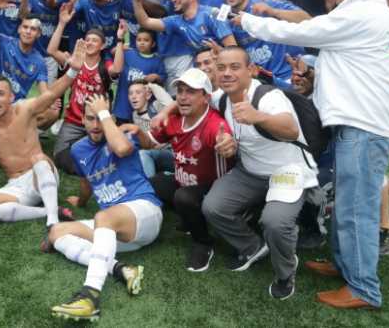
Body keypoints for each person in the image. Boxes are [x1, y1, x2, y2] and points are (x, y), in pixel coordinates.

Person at [236, 0, 389, 308]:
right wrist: (313, 76)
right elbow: (350, 66)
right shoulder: (365, 11)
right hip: (357, 122)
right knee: (346, 204)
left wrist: (244, 20)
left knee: (357, 209)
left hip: (364, 125)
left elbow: (301, 30)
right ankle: (345, 266)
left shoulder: (361, 14)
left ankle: (363, 289)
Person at [202, 46, 320, 301]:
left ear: (251, 70)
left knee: (275, 223)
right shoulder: (221, 97)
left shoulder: (268, 96)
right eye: (221, 67)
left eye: (235, 67)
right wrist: (168, 111)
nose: (227, 73)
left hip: (286, 172)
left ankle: (285, 272)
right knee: (213, 206)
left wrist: (258, 116)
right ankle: (253, 247)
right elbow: (199, 100)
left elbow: (289, 129)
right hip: (250, 171)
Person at [46, 94, 163, 322]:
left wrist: (104, 114)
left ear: (109, 118)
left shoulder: (123, 134)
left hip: (144, 213)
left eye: (101, 118)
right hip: (113, 231)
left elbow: (120, 149)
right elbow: (87, 180)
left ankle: (90, 297)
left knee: (104, 217)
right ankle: (122, 269)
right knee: (56, 233)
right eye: (90, 118)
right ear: (82, 119)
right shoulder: (79, 149)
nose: (96, 124)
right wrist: (81, 201)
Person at [0, 40, 87, 226]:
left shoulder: (24, 108)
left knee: (39, 159)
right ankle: (48, 211)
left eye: (0, 93)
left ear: (11, 97)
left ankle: (53, 222)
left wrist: (72, 71)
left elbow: (49, 96)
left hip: (42, 173)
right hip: (16, 183)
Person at [131, 68, 233, 271]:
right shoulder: (176, 119)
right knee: (153, 184)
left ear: (206, 97)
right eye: (180, 91)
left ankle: (203, 242)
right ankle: (188, 218)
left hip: (214, 188)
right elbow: (150, 143)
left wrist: (227, 145)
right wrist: (136, 132)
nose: (183, 97)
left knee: (184, 197)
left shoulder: (214, 124)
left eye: (191, 92)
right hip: (183, 181)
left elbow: (225, 142)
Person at [133, 0, 235, 94]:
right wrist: (137, 1)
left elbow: (234, 50)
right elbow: (145, 22)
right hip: (204, 74)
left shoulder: (211, 15)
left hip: (224, 75)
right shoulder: (177, 21)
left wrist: (220, 51)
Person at [48, 11, 114, 175]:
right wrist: (62, 23)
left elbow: (117, 69)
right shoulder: (75, 61)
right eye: (88, 40)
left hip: (96, 121)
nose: (90, 43)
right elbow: (51, 50)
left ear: (103, 45)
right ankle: (85, 163)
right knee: (58, 156)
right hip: (73, 120)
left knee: (110, 155)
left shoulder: (105, 66)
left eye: (95, 40)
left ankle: (90, 159)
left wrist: (119, 41)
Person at [224, 0, 310, 86]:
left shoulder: (267, 1)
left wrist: (273, 12)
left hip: (292, 76)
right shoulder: (225, 19)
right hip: (261, 83)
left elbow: (307, 19)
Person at [109, 25, 166, 123]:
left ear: (153, 44)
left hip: (143, 111)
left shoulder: (157, 61)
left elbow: (163, 78)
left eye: (146, 40)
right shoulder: (128, 54)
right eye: (139, 40)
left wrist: (156, 77)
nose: (142, 43)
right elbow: (113, 53)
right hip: (122, 107)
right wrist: (121, 45)